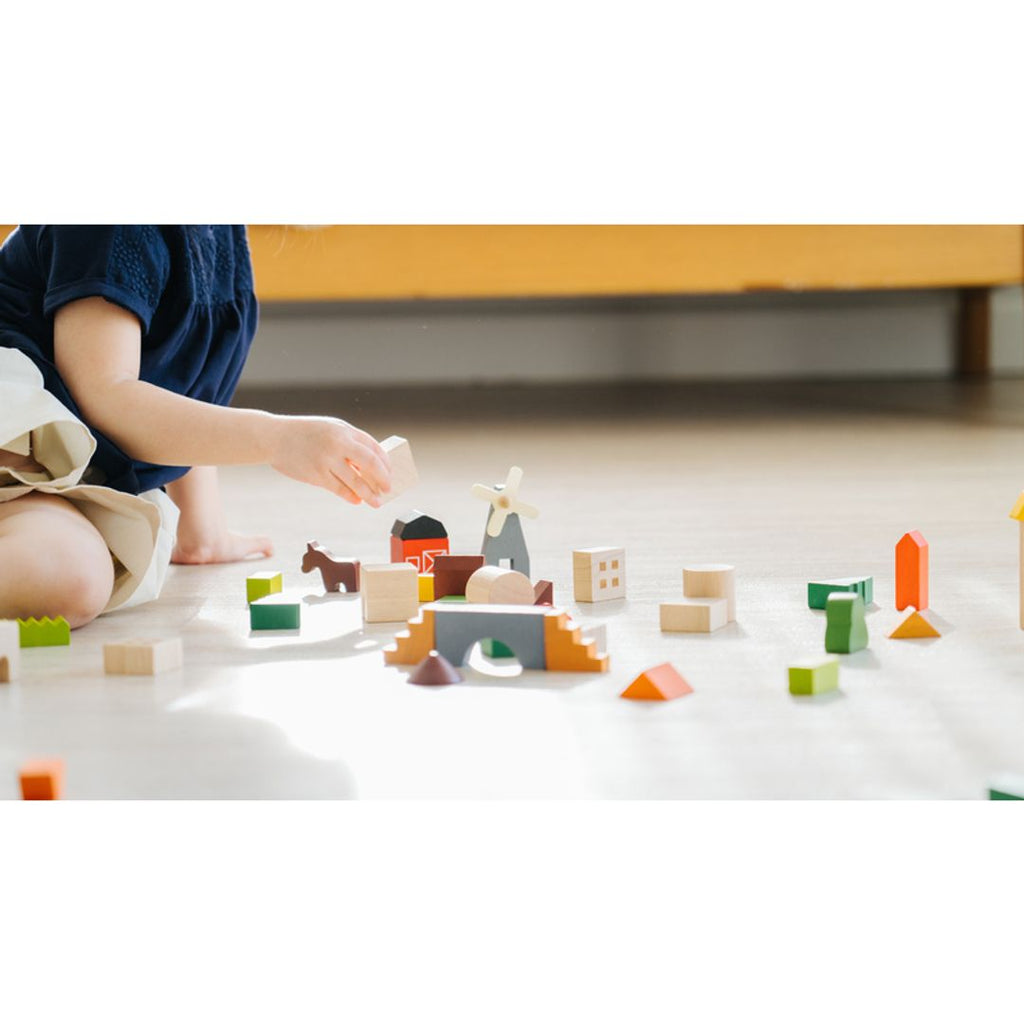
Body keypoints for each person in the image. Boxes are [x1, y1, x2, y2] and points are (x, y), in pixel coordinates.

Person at [0, 225, 392, 628]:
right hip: (16, 447)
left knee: (75, 568)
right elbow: (106, 395)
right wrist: (278, 438)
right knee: (72, 576)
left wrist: (202, 529)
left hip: (48, 481)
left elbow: (182, 382)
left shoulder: (217, 231)